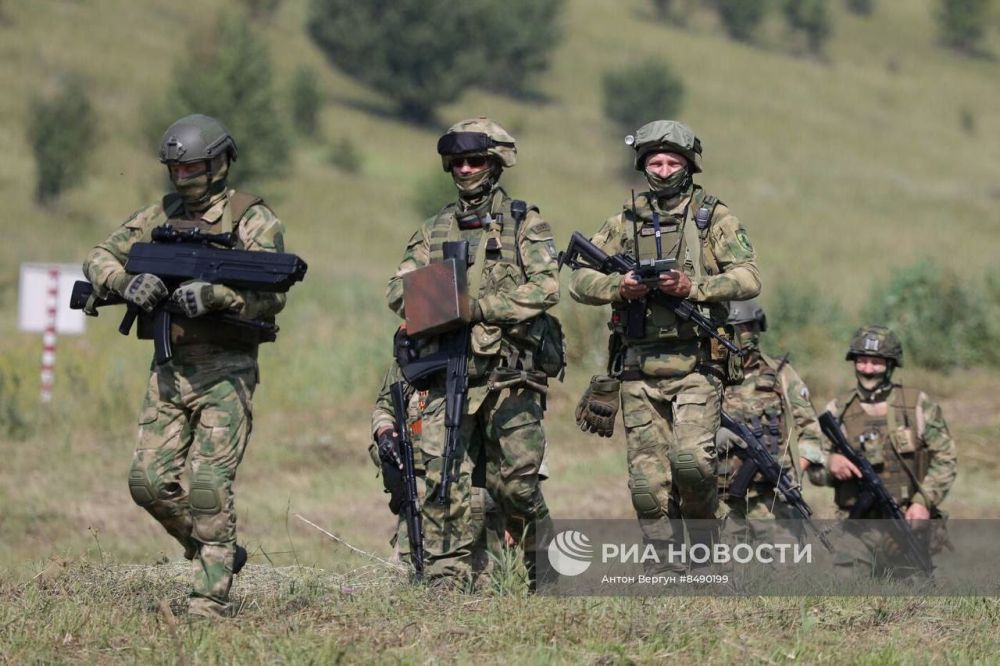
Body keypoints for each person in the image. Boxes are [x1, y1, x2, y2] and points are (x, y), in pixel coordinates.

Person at [82, 114, 288, 618]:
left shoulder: (252, 220)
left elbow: (273, 295)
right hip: (170, 368)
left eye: (192, 166)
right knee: (147, 482)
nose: (182, 176)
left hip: (227, 369)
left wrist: (219, 296)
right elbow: (99, 256)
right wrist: (125, 283)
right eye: (175, 168)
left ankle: (208, 600)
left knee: (208, 486)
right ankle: (218, 553)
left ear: (220, 164)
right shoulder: (159, 215)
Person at [569, 120, 761, 564]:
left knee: (692, 464)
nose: (663, 170)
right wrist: (620, 286)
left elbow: (749, 277)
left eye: (672, 162)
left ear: (689, 164)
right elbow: (578, 280)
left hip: (696, 364)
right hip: (638, 366)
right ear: (642, 166)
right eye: (655, 162)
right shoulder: (624, 220)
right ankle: (665, 562)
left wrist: (693, 287)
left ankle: (704, 548)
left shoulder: (713, 218)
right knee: (645, 486)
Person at [386, 117, 561, 587]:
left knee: (517, 483)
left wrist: (480, 308)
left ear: (495, 164)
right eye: (458, 162)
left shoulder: (524, 223)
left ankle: (545, 565)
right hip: (449, 368)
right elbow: (396, 290)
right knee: (443, 474)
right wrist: (443, 304)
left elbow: (547, 288)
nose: (465, 170)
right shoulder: (433, 229)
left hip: (509, 374)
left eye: (475, 161)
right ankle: (449, 577)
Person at [809, 325, 958, 574]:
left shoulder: (917, 405)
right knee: (844, 592)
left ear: (891, 364)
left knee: (916, 590)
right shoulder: (837, 410)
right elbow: (813, 469)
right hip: (856, 530)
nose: (868, 369)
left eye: (876, 362)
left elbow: (946, 458)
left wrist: (923, 501)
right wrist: (829, 464)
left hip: (906, 526)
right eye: (862, 361)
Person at [716, 299, 824, 541]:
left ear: (757, 329)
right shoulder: (707, 378)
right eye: (731, 328)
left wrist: (792, 476)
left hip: (773, 498)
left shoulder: (781, 374)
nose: (738, 335)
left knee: (786, 560)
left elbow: (811, 431)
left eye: (745, 327)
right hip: (723, 501)